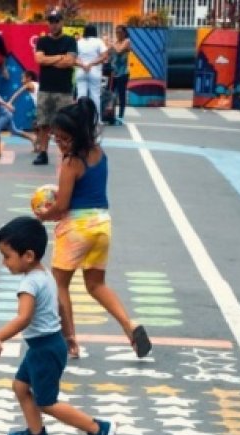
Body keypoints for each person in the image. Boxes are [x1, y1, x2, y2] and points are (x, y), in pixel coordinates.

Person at [32, 98, 151, 360]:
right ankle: (130, 328)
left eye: (62, 138)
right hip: (102, 225)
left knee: (59, 285)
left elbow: (62, 205)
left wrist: (43, 216)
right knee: (96, 284)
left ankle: (70, 341)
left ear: (75, 135)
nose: (59, 143)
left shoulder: (71, 162)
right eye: (56, 138)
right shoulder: (99, 153)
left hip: (77, 227)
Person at [0, 216, 115, 435]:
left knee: (47, 402)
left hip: (44, 349)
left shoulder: (29, 284)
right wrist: (69, 335)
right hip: (48, 344)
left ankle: (96, 428)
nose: (3, 262)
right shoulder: (45, 274)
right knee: (20, 386)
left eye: (7, 256)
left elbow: (23, 318)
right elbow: (59, 305)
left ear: (27, 255)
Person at [33, 11, 77, 165]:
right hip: (46, 88)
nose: (53, 24)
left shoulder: (70, 41)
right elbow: (39, 59)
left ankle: (67, 153)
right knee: (43, 123)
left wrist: (48, 60)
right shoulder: (42, 41)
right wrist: (59, 57)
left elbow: (70, 61)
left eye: (56, 21)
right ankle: (43, 153)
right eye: (51, 21)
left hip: (64, 89)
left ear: (62, 22)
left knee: (65, 124)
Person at [0, 74, 35, 157]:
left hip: (5, 116)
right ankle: (32, 138)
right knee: (15, 131)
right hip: (6, 115)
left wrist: (8, 106)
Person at [76, 24, 109, 120]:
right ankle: (97, 119)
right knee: (95, 96)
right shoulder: (98, 42)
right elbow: (104, 56)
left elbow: (74, 57)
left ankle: (80, 119)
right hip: (94, 71)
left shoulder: (79, 42)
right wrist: (91, 64)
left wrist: (83, 65)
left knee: (81, 95)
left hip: (81, 71)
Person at [107, 26, 131, 126]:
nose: (118, 34)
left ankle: (121, 117)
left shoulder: (127, 41)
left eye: (120, 32)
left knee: (121, 95)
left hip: (123, 73)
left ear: (124, 33)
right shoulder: (115, 42)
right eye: (116, 32)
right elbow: (109, 53)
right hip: (114, 73)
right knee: (111, 95)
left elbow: (119, 51)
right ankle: (111, 116)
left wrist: (111, 43)